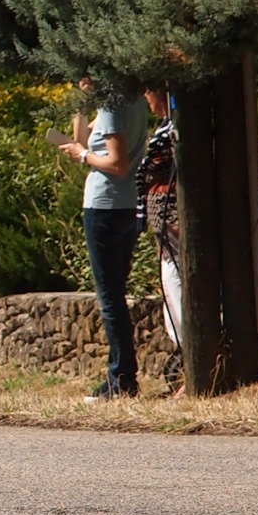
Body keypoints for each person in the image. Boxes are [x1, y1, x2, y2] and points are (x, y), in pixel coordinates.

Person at [61, 79, 149, 399]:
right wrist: (82, 106)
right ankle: (121, 374)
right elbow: (82, 139)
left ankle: (121, 379)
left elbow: (117, 163)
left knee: (110, 297)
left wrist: (84, 156)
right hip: (127, 205)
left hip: (105, 206)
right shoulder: (134, 99)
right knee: (115, 293)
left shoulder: (112, 105)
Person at [137, 87, 180, 360]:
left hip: (173, 220)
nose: (146, 97)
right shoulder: (164, 125)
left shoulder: (174, 126)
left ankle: (185, 346)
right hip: (163, 227)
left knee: (175, 280)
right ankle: (180, 346)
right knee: (169, 281)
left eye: (148, 92)